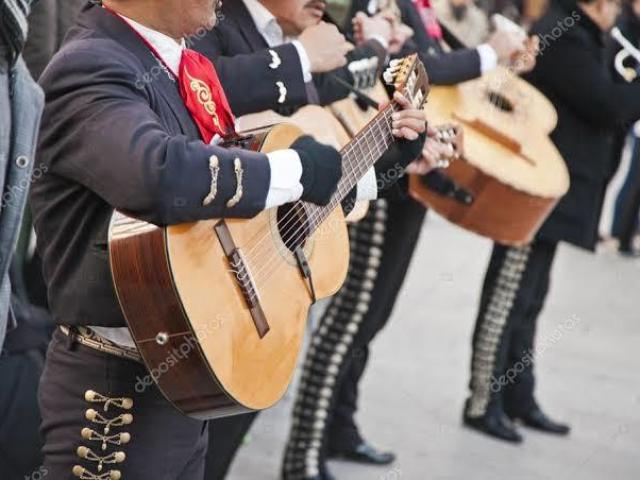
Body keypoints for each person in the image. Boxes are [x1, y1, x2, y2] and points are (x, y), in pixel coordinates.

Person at [30, 1, 427, 478]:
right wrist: (296, 169)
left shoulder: (180, 64)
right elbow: (158, 176)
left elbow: (237, 212)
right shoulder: (92, 62)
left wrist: (376, 163)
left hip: (182, 375)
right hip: (117, 396)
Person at [281, 1, 536, 478]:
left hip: (408, 171)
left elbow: (434, 64)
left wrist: (501, 56)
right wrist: (487, 52)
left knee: (371, 320)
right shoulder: (384, 5)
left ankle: (339, 427)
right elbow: (415, 69)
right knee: (346, 324)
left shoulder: (424, 9)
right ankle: (303, 454)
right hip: (373, 167)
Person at [193, 1, 434, 477]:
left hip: (259, 280)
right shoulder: (210, 19)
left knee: (225, 433)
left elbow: (315, 183)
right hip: (198, 267)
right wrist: (304, 57)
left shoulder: (293, 36)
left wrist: (392, 153)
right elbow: (196, 89)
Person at [464, 0, 640, 443]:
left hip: (559, 190)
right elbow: (607, 104)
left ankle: (520, 397)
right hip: (533, 188)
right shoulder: (565, 30)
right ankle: (483, 400)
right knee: (507, 297)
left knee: (531, 298)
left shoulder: (591, 29)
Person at [608, 0, 640, 255]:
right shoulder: (624, 25)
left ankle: (629, 234)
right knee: (633, 178)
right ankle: (619, 232)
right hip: (625, 111)